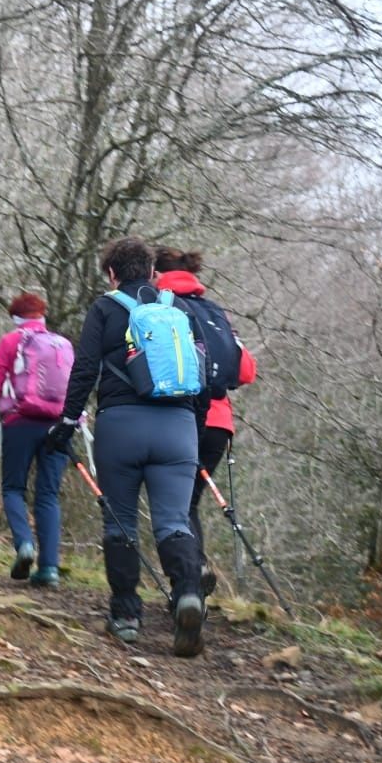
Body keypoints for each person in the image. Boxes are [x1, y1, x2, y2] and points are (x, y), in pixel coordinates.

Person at [46, 236, 207, 656]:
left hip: (121, 427)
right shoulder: (179, 308)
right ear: (152, 272)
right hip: (178, 427)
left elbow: (85, 369)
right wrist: (194, 424)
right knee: (174, 522)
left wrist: (67, 422)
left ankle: (126, 615)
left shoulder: (105, 308)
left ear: (112, 274)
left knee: (120, 523)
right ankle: (188, 594)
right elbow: (202, 370)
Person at [153, 246, 258, 596]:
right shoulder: (216, 312)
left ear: (156, 274)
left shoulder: (160, 307)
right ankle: (193, 571)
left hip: (180, 418)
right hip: (219, 422)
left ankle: (190, 575)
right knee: (186, 502)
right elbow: (246, 371)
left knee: (172, 504)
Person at [0, 292, 72, 587]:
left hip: (20, 422)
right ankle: (49, 568)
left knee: (13, 488)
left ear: (15, 318)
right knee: (48, 494)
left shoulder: (11, 341)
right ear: (42, 316)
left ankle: (25, 544)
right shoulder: (62, 344)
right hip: (58, 425)